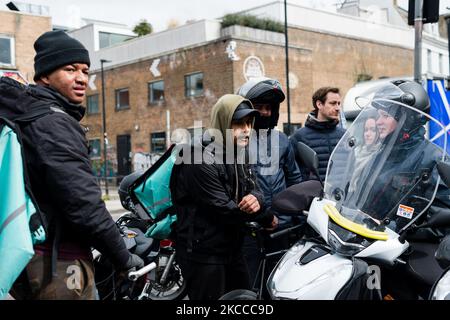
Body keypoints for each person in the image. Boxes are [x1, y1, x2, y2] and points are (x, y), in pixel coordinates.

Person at [8, 30, 143, 300]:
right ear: (45, 76)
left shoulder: (32, 114)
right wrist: (123, 257)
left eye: (85, 71)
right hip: (59, 263)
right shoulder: (53, 123)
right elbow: (83, 203)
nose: (81, 78)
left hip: (34, 255)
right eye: (70, 69)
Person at [170, 94, 277, 300]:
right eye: (238, 123)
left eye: (249, 122)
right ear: (223, 123)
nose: (247, 129)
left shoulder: (238, 152)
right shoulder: (197, 158)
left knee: (244, 300)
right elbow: (225, 209)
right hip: (204, 255)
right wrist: (266, 217)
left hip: (231, 248)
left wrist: (257, 199)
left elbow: (255, 188)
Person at [237, 77, 302, 287]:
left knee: (280, 282)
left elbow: (294, 178)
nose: (265, 112)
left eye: (269, 108)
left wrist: (298, 211)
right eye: (259, 107)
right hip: (250, 226)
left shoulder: (283, 139)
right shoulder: (237, 139)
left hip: (283, 226)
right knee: (251, 284)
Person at [290, 87, 345, 182]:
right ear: (319, 104)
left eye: (339, 103)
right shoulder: (299, 136)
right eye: (332, 103)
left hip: (339, 194)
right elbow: (291, 172)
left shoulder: (344, 135)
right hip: (312, 194)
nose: (337, 108)